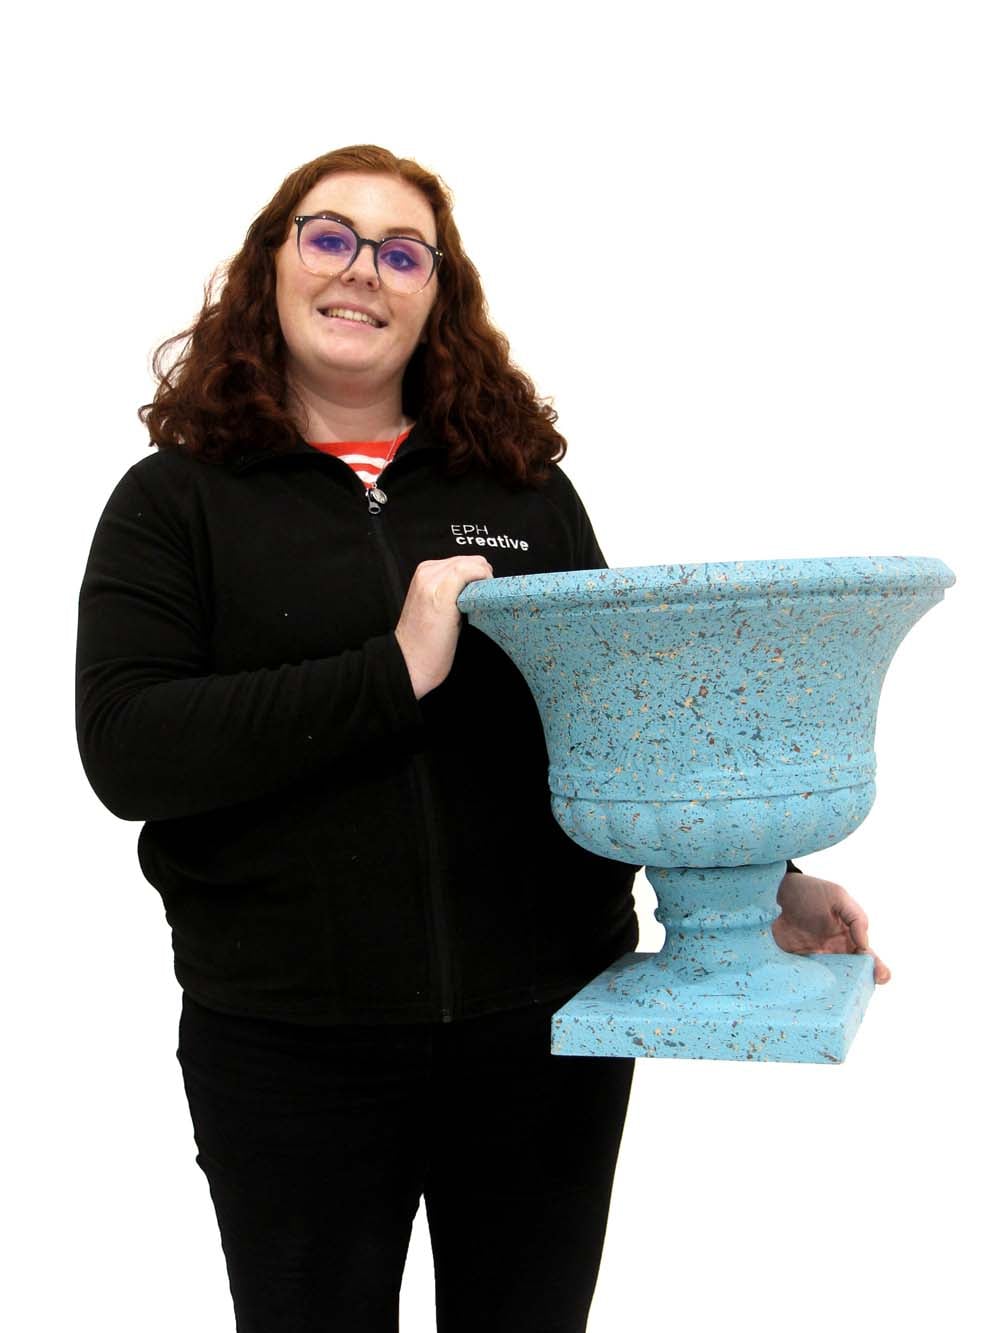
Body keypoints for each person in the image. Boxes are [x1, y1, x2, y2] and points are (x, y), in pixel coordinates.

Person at [75, 144, 890, 1333]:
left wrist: (765, 880)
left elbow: (618, 726)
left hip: (541, 1028)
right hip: (291, 1047)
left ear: (435, 295)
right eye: (330, 237)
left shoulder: (521, 492)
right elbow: (129, 748)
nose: (363, 270)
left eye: (402, 254)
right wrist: (395, 669)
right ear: (271, 265)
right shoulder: (173, 501)